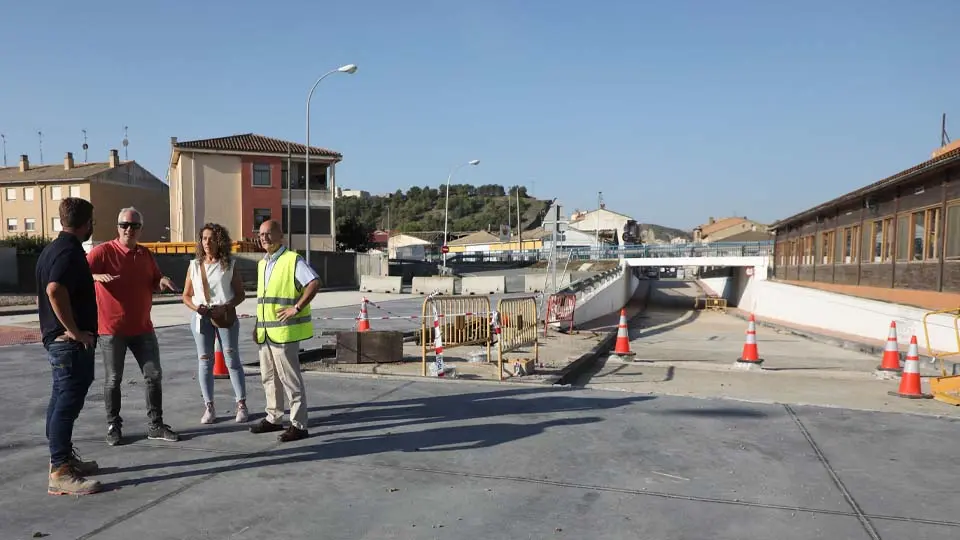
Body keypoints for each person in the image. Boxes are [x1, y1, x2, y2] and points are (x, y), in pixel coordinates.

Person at [87, 206, 180, 446]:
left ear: (140, 228)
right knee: (113, 379)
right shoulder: (102, 252)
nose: (129, 229)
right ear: (117, 227)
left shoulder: (145, 255)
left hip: (142, 329)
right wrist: (96, 277)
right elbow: (78, 273)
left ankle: (156, 425)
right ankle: (113, 426)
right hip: (111, 331)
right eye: (124, 225)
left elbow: (154, 279)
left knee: (154, 376)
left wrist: (162, 280)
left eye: (134, 225)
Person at [38, 197, 102, 495]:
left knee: (60, 399)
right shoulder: (69, 252)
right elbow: (54, 290)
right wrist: (74, 331)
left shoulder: (52, 249)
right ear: (86, 223)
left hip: (58, 342)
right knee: (67, 402)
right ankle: (60, 470)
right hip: (67, 344)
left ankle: (61, 460)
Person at [249, 219, 320, 442]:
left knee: (290, 380)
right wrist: (257, 325)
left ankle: (299, 424)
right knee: (269, 378)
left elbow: (314, 282)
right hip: (266, 332)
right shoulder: (263, 263)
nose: (263, 237)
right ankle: (273, 417)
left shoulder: (292, 260)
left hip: (284, 332)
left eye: (268, 234)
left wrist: (296, 308)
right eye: (261, 234)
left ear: (281, 236)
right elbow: (264, 300)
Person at [181, 223, 248, 424]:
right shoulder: (194, 265)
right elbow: (186, 295)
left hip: (225, 317)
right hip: (201, 319)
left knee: (232, 359)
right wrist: (197, 308)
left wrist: (226, 307)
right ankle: (209, 407)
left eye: (211, 238)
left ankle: (241, 404)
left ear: (219, 241)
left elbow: (240, 294)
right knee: (204, 361)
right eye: (204, 238)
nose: (207, 242)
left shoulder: (229, 265)